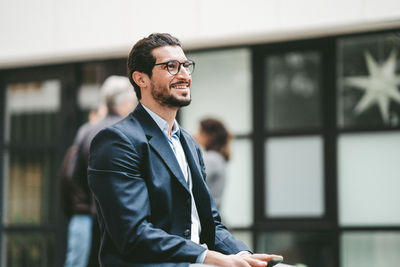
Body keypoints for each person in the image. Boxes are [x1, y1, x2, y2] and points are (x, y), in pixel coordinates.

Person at [88, 33, 283, 267]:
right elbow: (133, 235)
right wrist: (209, 257)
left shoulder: (189, 143)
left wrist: (243, 256)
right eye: (171, 66)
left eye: (186, 65)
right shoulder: (117, 141)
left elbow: (210, 223)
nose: (184, 75)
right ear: (141, 79)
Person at [61, 75, 137, 267]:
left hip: (83, 215)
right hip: (109, 221)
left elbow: (68, 175)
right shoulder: (124, 131)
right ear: (126, 102)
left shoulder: (87, 130)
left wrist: (75, 208)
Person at [194, 118, 232, 209]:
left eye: (200, 132)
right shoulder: (217, 158)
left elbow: (194, 183)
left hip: (208, 217)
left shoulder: (212, 159)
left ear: (209, 136)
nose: (195, 135)